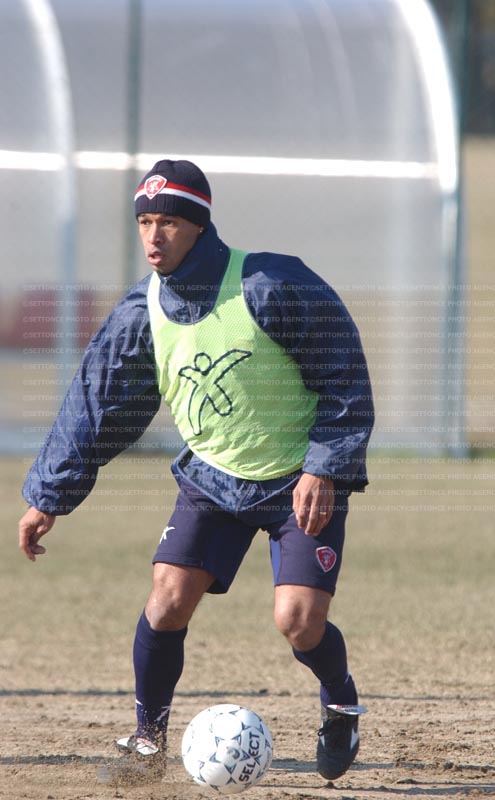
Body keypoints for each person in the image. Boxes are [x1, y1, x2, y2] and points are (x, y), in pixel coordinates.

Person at [18, 159, 374, 786]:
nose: (153, 236)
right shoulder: (142, 310)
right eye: (145, 223)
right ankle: (147, 742)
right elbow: (95, 405)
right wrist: (48, 496)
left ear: (200, 226)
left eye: (169, 223)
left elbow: (343, 371)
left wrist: (325, 466)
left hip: (297, 481)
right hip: (212, 480)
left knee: (298, 622)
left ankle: (340, 705)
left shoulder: (270, 284)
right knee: (166, 602)